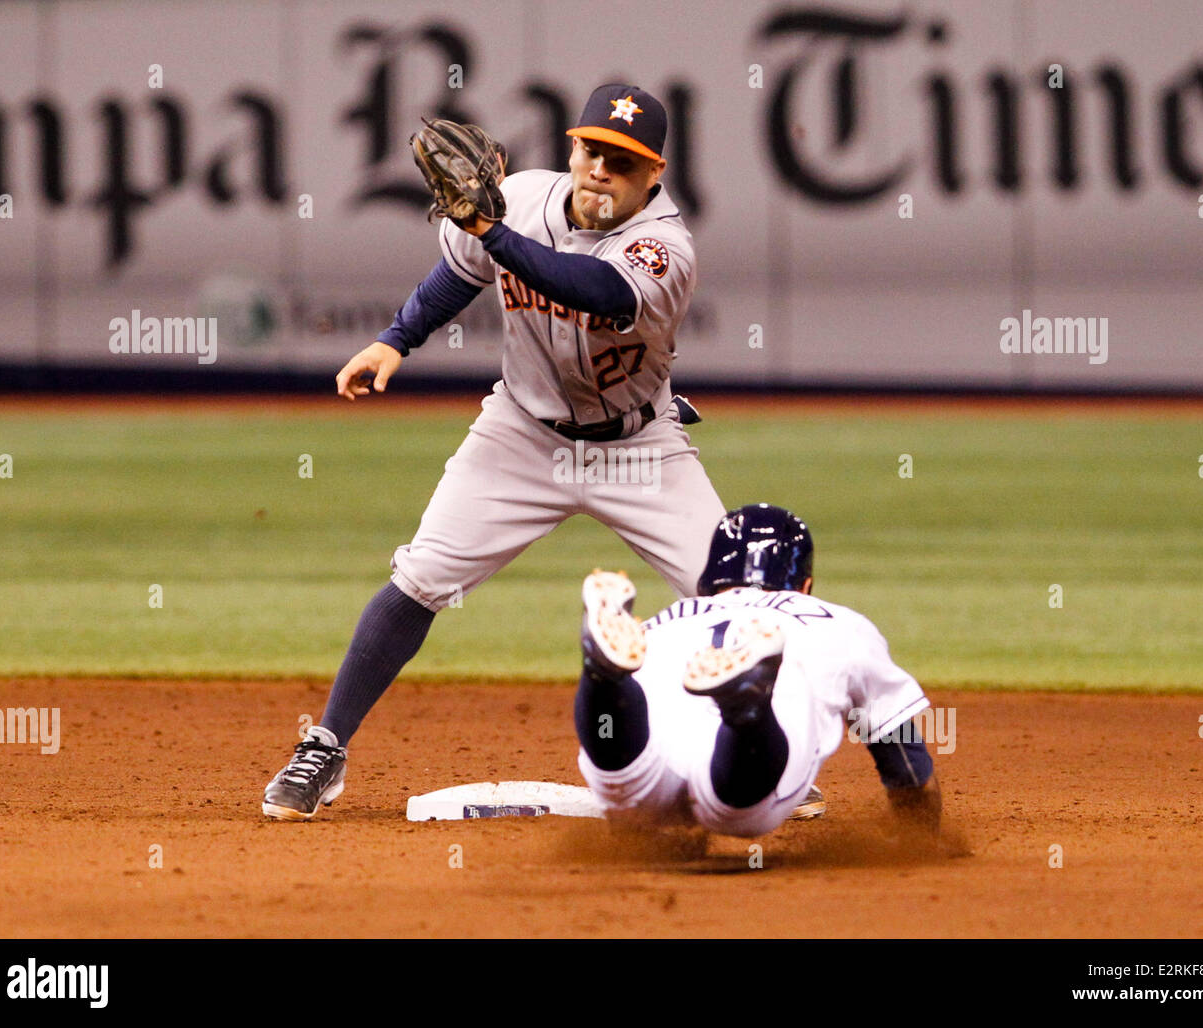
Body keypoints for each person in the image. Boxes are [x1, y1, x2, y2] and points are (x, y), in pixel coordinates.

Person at [263, 83, 725, 820]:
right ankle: (324, 747)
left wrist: (492, 230)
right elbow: (461, 272)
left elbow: (592, 290)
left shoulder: (663, 245)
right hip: (522, 436)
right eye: (592, 149)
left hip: (640, 447)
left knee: (734, 596)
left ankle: (753, 758)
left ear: (654, 175)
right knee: (420, 578)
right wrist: (396, 339)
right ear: (572, 149)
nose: (602, 169)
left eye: (624, 161)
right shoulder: (522, 201)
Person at [575, 503, 943, 838]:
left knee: (627, 783)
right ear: (806, 586)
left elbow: (631, 833)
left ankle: (603, 678)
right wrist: (922, 839)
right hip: (757, 762)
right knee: (736, 808)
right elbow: (906, 766)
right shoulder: (841, 624)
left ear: (709, 579)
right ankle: (746, 709)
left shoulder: (663, 623)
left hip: (648, 733)